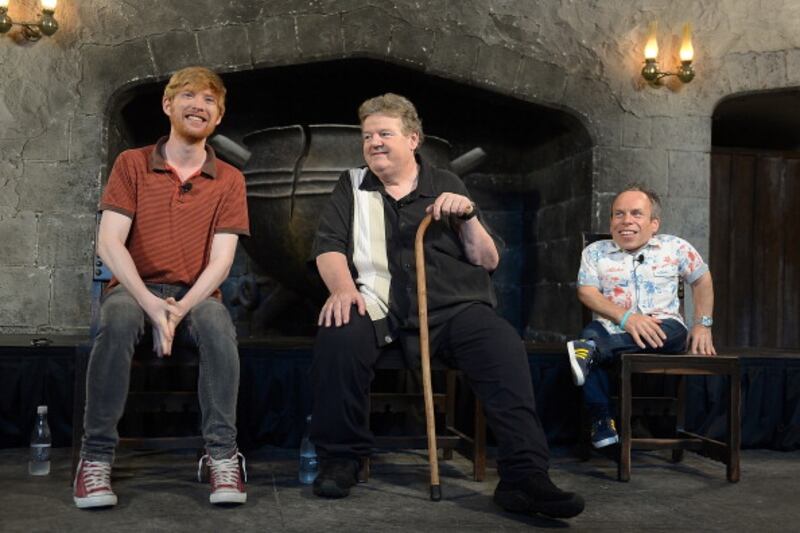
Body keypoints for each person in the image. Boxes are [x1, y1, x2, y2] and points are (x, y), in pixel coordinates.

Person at [308, 93, 584, 519]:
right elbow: (328, 245)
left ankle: (524, 477)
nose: (374, 142)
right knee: (339, 333)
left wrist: (468, 216)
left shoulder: (446, 182)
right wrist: (343, 289)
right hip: (378, 301)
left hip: (453, 306)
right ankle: (340, 459)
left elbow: (487, 260)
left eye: (385, 134)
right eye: (367, 136)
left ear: (412, 139)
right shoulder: (352, 185)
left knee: (502, 345)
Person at [73, 67, 250, 509]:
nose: (199, 105)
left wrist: (178, 309)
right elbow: (109, 242)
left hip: (196, 293)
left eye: (209, 100)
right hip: (135, 287)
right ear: (168, 105)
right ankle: (95, 459)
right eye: (188, 96)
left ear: (218, 116)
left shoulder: (230, 178)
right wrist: (152, 306)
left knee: (218, 328)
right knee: (116, 321)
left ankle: (222, 456)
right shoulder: (132, 164)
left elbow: (222, 261)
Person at [567, 185, 716, 449]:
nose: (626, 221)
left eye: (636, 214)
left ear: (654, 223)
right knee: (589, 335)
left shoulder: (676, 247)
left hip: (663, 328)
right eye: (619, 214)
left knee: (675, 334)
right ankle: (602, 421)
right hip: (611, 327)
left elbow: (701, 279)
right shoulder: (595, 252)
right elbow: (586, 292)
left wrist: (703, 324)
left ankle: (594, 351)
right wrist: (627, 318)